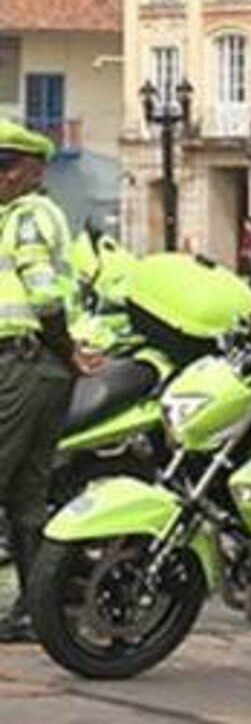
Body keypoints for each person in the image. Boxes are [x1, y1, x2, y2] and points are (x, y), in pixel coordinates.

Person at [0, 120, 101, 642]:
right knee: (25, 494)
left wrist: (66, 350)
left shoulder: (29, 216)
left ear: (33, 170)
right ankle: (38, 609)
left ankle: (36, 606)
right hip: (36, 364)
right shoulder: (16, 215)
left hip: (25, 361)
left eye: (5, 166)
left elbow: (43, 296)